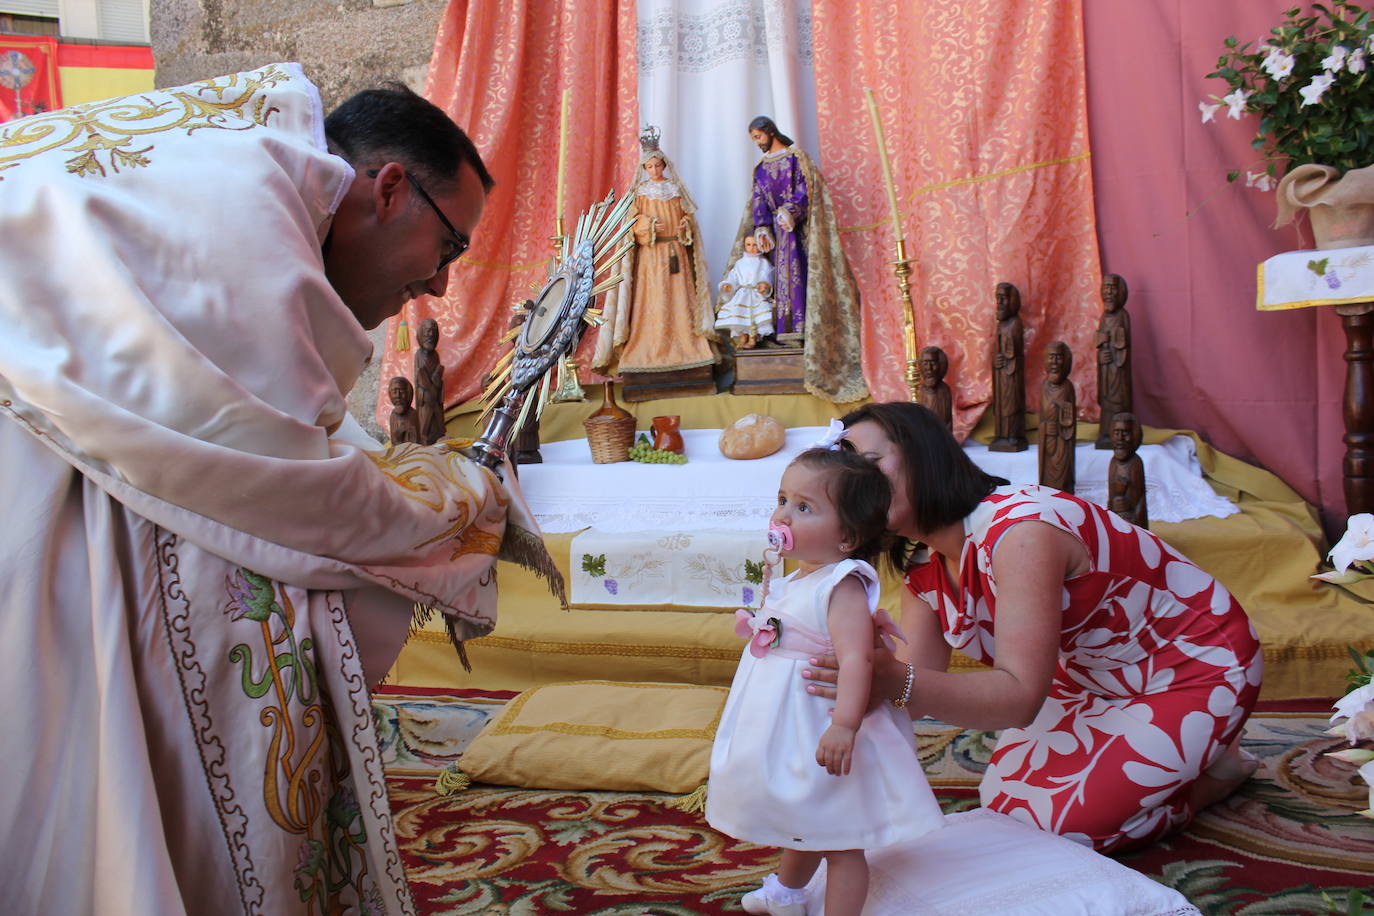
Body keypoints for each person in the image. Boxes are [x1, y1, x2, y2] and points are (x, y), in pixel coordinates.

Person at [0, 65, 553, 914]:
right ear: (390, 187)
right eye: (447, 248)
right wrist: (461, 505)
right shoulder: (252, 214)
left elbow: (281, 434)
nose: (440, 285)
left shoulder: (238, 158)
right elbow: (293, 497)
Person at [802, 402, 1263, 854]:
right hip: (1092, 676)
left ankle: (1211, 778)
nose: (857, 483)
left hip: (1195, 666)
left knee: (1068, 827)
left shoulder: (1021, 530)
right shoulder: (924, 565)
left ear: (923, 454)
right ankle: (1192, 749)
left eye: (870, 462)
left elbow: (1017, 699)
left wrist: (891, 680)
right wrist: (847, 674)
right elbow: (910, 694)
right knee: (1004, 805)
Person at [707, 441, 945, 916]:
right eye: (782, 500)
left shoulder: (843, 584)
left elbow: (857, 660)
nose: (783, 516)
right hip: (790, 718)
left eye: (803, 507)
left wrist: (844, 725)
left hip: (822, 720)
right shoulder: (801, 576)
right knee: (809, 810)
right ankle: (788, 891)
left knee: (840, 835)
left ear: (847, 538)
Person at [721, 116, 868, 403]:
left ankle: (800, 330)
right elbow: (759, 199)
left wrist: (791, 211)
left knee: (799, 278)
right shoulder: (761, 169)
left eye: (758, 136)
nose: (757, 142)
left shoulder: (796, 159)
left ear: (769, 132)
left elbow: (806, 188)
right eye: (752, 138)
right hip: (776, 236)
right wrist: (762, 227)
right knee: (773, 278)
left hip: (800, 234)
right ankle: (778, 329)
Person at [592, 126, 717, 378]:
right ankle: (649, 350)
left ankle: (687, 347)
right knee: (652, 300)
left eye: (658, 166)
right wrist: (646, 226)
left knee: (680, 300)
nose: (655, 170)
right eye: (650, 167)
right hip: (650, 257)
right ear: (644, 169)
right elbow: (630, 224)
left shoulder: (676, 190)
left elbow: (688, 218)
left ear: (664, 166)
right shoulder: (640, 193)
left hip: (676, 254)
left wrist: (685, 225)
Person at [714, 232, 775, 349]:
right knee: (740, 312)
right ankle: (743, 336)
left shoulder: (764, 263)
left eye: (755, 245)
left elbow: (768, 276)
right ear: (744, 246)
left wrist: (764, 285)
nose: (751, 248)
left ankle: (753, 337)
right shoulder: (740, 263)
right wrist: (728, 285)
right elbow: (733, 277)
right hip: (743, 293)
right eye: (748, 245)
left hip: (756, 293)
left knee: (756, 314)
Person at [1094, 273, 1133, 449]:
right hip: (1106, 370)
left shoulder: (1122, 316)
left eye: (1112, 288)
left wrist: (1116, 356)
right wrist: (1101, 356)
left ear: (1120, 292)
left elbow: (1123, 346)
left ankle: (1118, 432)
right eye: (1106, 288)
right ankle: (1106, 432)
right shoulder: (1104, 317)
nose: (1108, 292)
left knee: (1117, 399)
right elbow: (1100, 342)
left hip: (1117, 370)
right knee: (1106, 398)